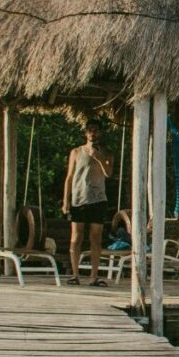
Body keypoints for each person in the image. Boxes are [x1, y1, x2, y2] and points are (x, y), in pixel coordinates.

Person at [62, 121, 114, 286]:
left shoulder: (107, 153)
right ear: (85, 133)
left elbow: (108, 174)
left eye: (96, 131)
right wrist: (66, 200)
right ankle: (75, 274)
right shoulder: (76, 152)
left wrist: (99, 158)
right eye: (90, 131)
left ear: (100, 133)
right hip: (79, 198)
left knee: (95, 238)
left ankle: (93, 276)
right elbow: (69, 177)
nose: (92, 133)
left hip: (98, 199)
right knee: (76, 237)